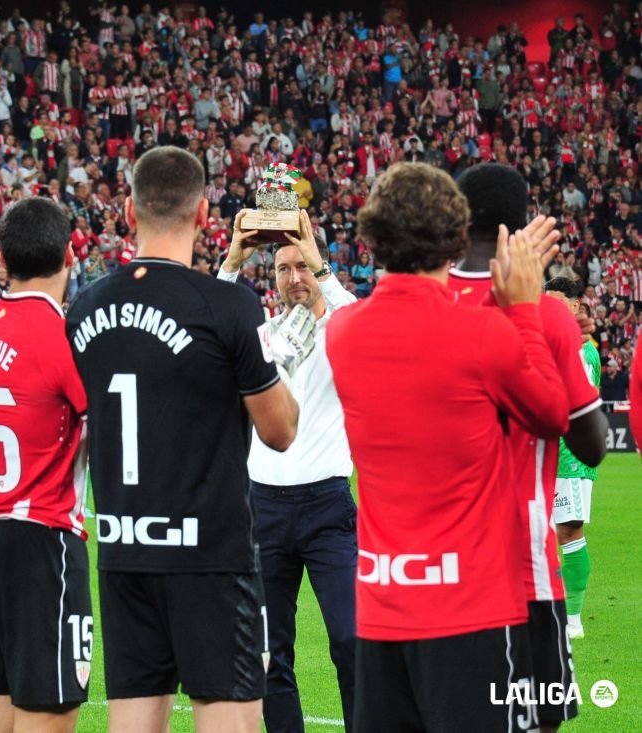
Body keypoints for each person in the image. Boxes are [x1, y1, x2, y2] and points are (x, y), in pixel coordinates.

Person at [66, 147, 307, 733]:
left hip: (123, 551)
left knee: (133, 722)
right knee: (229, 720)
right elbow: (280, 432)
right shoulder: (228, 306)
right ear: (204, 213)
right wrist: (282, 362)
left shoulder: (85, 306)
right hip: (211, 558)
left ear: (128, 210)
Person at [325, 162, 570, 732]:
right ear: (458, 239)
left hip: (384, 602)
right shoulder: (484, 336)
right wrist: (524, 311)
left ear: (371, 239)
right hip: (470, 610)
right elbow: (552, 413)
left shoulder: (343, 333)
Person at [450, 163, 607, 732]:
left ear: (457, 217)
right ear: (519, 229)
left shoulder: (426, 303)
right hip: (522, 571)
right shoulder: (546, 314)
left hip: (432, 571)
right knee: (536, 722)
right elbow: (592, 445)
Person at [0, 197, 92, 733]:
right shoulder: (65, 335)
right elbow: (104, 424)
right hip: (43, 540)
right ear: (70, 253)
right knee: (48, 711)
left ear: (2, 258)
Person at [217, 213, 358, 733]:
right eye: (282, 268)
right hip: (264, 510)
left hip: (327, 507)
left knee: (351, 639)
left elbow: (358, 319)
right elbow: (209, 323)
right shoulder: (261, 335)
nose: (293, 277)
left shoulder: (344, 329)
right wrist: (233, 260)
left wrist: (323, 273)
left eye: (302, 266)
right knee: (270, 653)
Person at [544, 278, 600, 640]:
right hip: (544, 454)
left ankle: (574, 620)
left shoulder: (582, 349)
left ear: (577, 305)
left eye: (558, 301)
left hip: (570, 457)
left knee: (569, 531)